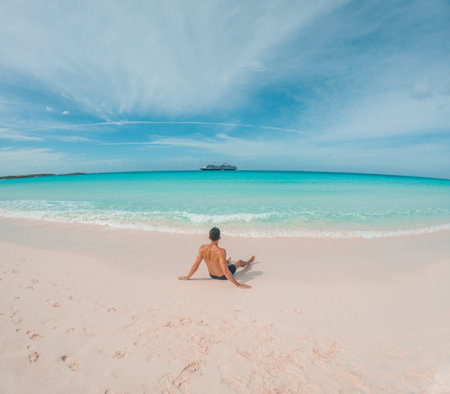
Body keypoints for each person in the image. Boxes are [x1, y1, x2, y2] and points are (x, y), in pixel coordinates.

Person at [178, 227, 255, 289]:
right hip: (222, 276)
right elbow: (225, 271)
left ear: (209, 237)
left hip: (211, 275)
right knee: (239, 262)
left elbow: (195, 266)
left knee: (222, 261)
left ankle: (227, 261)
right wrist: (238, 285)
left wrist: (188, 277)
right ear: (219, 238)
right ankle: (248, 262)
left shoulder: (202, 248)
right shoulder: (221, 251)